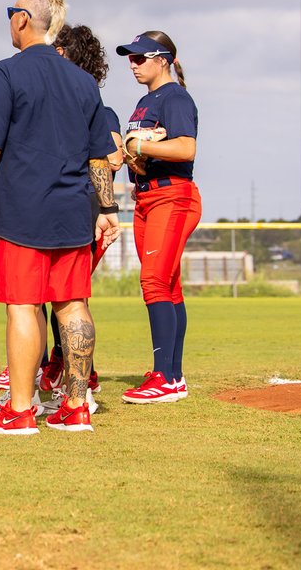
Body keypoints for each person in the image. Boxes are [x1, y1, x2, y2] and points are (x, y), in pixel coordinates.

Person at [0, 0, 119, 435]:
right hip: (73, 211)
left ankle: (21, 410)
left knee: (23, 306)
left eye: (11, 13)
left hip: (25, 211)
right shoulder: (84, 82)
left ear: (22, 20)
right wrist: (108, 208)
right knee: (72, 305)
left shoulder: (7, 72)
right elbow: (99, 155)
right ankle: (77, 407)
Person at [34, 24, 123, 413]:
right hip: (62, 204)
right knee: (51, 297)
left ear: (69, 55)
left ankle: (80, 383)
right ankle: (59, 376)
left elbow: (113, 153)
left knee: (66, 297)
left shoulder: (98, 108)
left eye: (58, 49)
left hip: (81, 206)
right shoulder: (61, 105)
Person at [116, 31, 201, 404]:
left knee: (152, 282)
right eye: (130, 59)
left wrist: (141, 145)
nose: (132, 65)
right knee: (167, 287)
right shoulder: (143, 102)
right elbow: (142, 152)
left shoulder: (176, 97)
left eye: (139, 58)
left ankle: (164, 377)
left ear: (162, 59)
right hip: (147, 197)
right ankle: (173, 375)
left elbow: (185, 147)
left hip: (173, 195)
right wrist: (134, 153)